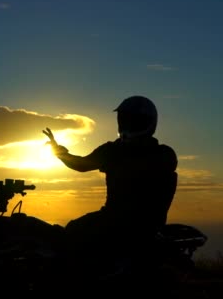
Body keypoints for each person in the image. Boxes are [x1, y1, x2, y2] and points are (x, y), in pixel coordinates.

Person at [42, 95, 178, 273]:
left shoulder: (158, 154)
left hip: (127, 223)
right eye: (124, 120)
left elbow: (82, 165)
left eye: (133, 121)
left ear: (147, 123)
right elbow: (81, 164)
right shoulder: (124, 150)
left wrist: (59, 152)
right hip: (130, 223)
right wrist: (58, 151)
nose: (127, 125)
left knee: (74, 232)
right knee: (75, 231)